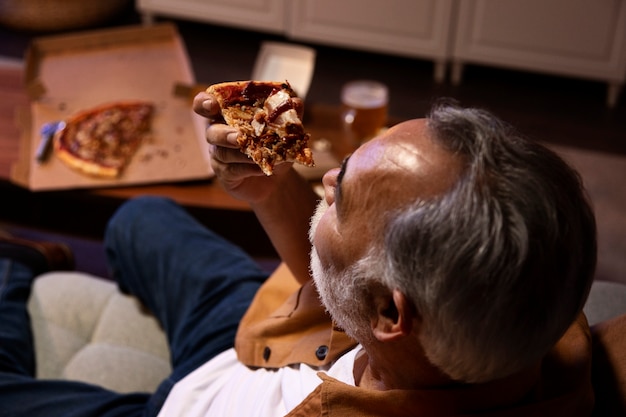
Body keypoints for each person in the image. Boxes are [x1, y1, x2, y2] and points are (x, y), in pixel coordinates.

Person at [0, 97, 600, 416]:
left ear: (390, 315)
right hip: (269, 342)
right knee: (139, 217)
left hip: (179, 406)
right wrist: (269, 186)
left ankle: (15, 266)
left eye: (342, 198)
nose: (327, 176)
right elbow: (352, 292)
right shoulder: (519, 302)